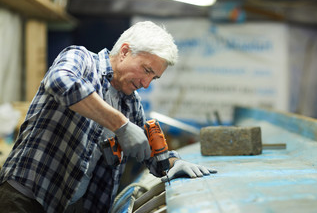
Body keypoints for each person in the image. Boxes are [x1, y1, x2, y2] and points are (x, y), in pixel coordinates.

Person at [0, 21, 216, 213]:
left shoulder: (130, 103)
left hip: (72, 205)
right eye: (146, 70)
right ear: (124, 52)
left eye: (154, 77)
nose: (146, 83)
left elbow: (151, 154)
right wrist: (120, 125)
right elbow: (60, 81)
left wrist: (172, 163)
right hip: (25, 198)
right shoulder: (81, 59)